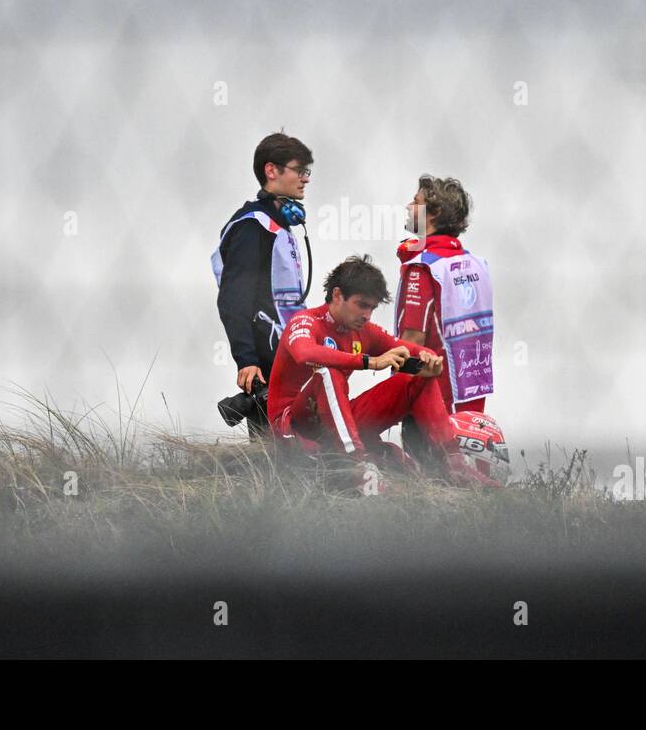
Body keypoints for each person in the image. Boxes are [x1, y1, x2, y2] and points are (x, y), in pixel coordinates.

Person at [266, 254, 500, 489]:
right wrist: (370, 361)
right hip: (293, 426)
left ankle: (453, 463)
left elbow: (404, 348)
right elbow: (304, 353)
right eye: (362, 305)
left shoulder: (363, 330)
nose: (367, 315)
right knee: (329, 372)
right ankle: (355, 464)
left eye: (372, 308)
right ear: (337, 295)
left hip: (336, 422)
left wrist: (428, 358)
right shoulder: (305, 321)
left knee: (417, 379)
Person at [211, 133, 313, 436]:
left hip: (291, 352)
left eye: (307, 172)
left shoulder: (280, 226)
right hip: (266, 359)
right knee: (274, 454)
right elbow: (233, 298)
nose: (305, 179)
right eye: (299, 170)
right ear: (272, 171)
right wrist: (246, 360)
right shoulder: (253, 225)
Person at [393, 175, 495, 459]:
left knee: (426, 480)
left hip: (430, 394)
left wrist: (394, 397)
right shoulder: (476, 263)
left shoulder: (423, 267)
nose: (408, 206)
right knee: (462, 482)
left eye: (416, 202)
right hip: (471, 394)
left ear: (433, 213)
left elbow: (412, 339)